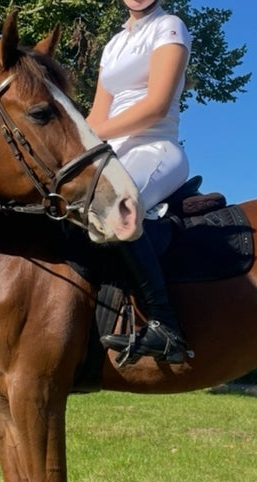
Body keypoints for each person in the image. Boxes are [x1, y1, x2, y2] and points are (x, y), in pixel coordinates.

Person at [87, 0, 192, 365]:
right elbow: (98, 112)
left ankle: (166, 325)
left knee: (120, 209)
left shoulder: (170, 27)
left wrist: (89, 133)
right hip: (109, 154)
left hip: (155, 148)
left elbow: (157, 106)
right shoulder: (113, 45)